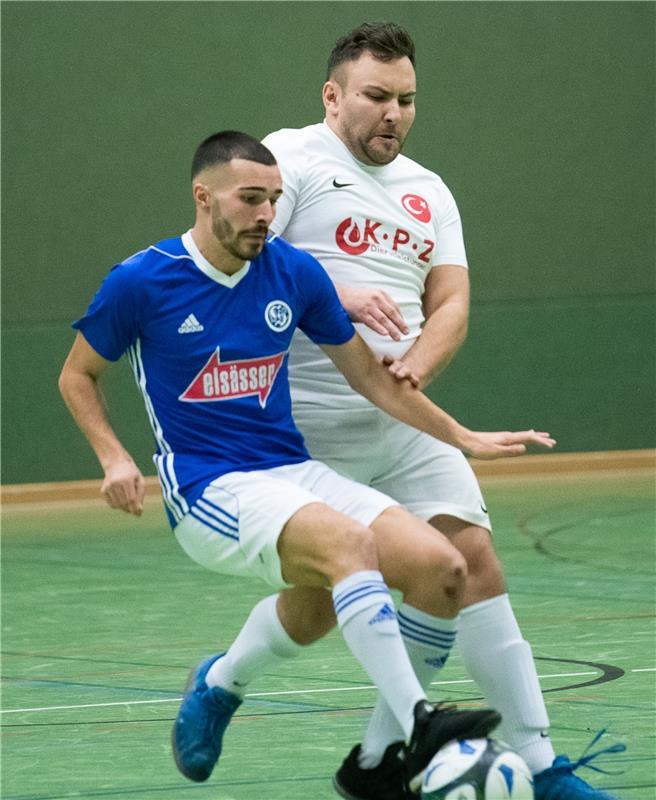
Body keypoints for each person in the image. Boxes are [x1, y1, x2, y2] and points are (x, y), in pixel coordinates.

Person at [58, 131, 559, 791]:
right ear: (203, 196)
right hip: (208, 485)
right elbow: (77, 375)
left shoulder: (292, 271)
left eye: (273, 199)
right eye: (249, 199)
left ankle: (259, 703)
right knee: (350, 546)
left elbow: (373, 380)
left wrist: (461, 434)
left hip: (290, 471)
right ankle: (419, 723)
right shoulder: (142, 281)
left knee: (443, 570)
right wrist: (114, 458)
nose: (265, 213)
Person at [261, 22, 623, 800]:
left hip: (399, 421)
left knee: (472, 565)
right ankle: (226, 679)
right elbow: (251, 255)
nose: (393, 113)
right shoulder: (289, 158)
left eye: (407, 100)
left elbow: (452, 299)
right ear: (333, 95)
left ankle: (536, 762)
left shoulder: (430, 192)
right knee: (317, 606)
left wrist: (418, 365)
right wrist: (334, 292)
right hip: (304, 428)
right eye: (376, 96)